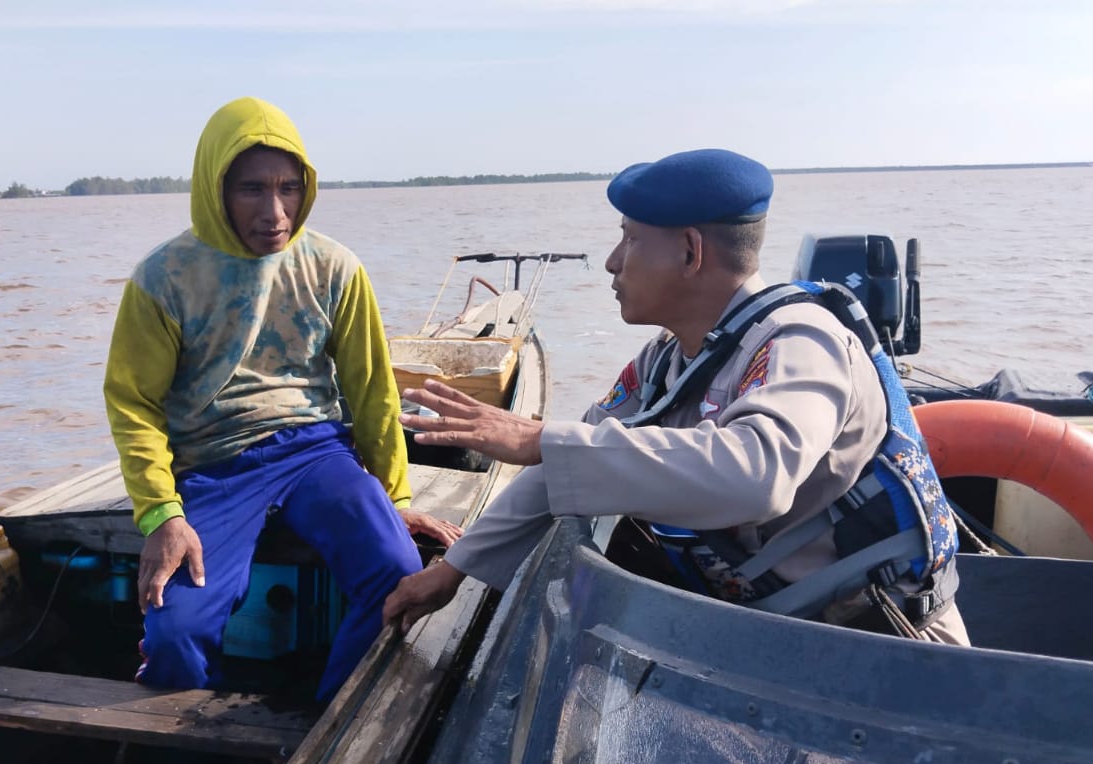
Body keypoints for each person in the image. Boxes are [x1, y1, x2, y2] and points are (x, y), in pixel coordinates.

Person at [383, 148, 968, 645]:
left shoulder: (801, 341)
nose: (613, 262)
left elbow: (757, 476)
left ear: (690, 252)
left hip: (890, 648)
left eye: (631, 240)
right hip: (782, 634)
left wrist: (540, 437)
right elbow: (558, 468)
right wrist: (454, 571)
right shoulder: (670, 359)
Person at [104, 96, 460, 702]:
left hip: (315, 452)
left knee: (399, 573)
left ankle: (332, 720)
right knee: (175, 631)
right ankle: (183, 737)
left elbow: (371, 392)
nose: (275, 212)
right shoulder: (164, 279)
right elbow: (133, 404)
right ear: (214, 187)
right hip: (214, 465)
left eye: (288, 189)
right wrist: (162, 514)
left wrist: (392, 497)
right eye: (251, 190)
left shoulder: (334, 268)